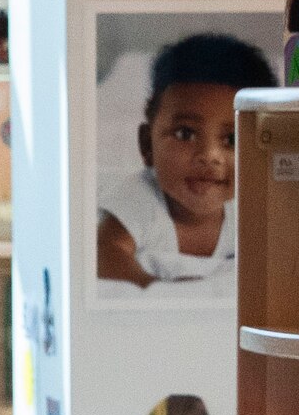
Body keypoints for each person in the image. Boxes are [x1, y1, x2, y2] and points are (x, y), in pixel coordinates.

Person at [97, 30, 273, 288]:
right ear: (147, 144)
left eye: (231, 140)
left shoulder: (243, 212)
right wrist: (152, 287)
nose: (209, 156)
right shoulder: (141, 199)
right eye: (185, 133)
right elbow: (103, 253)